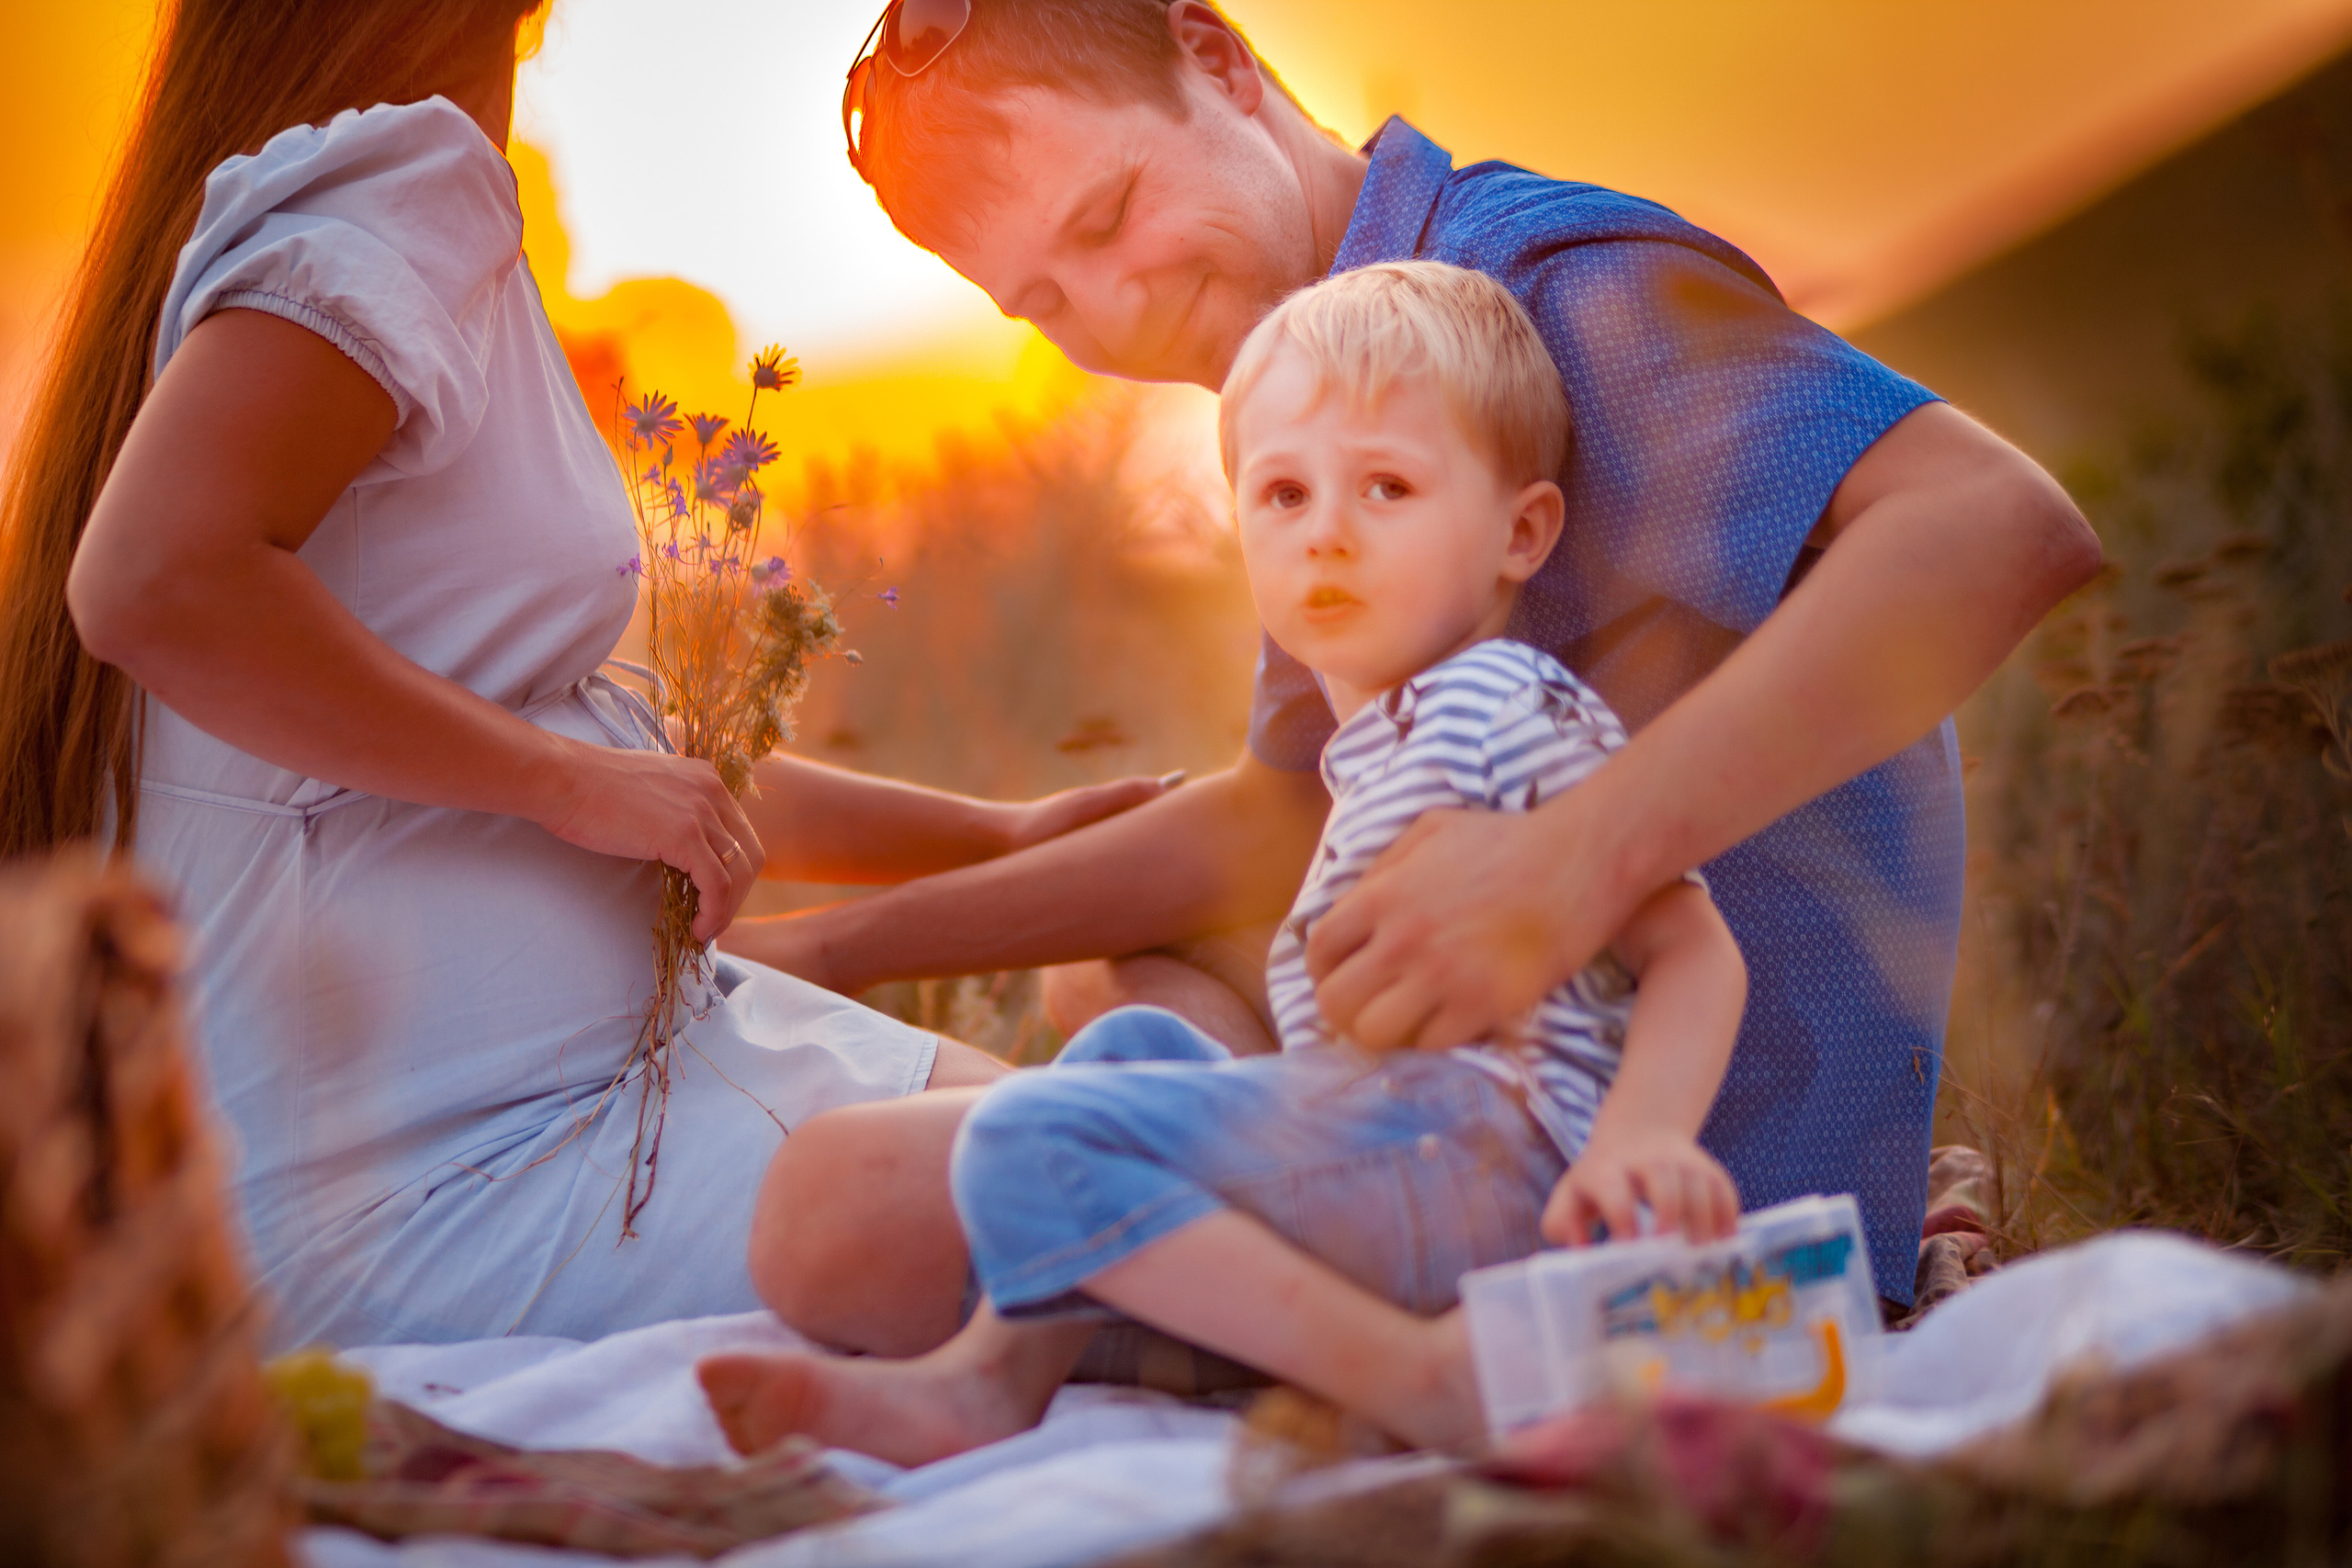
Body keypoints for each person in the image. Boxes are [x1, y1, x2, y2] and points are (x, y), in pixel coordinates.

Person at [721, 0, 2102, 1342]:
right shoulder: (1333, 358)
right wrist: (842, 947)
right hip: (1482, 1077)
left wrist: (1575, 862)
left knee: (855, 1222)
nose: (1114, 308)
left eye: (1107, 214)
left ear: (1219, 58)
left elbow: (1997, 527)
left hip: (1667, 1156)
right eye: (1041, 300)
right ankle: (1234, 1257)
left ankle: (1318, 1324)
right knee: (1112, 977)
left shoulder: (1547, 287)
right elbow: (1287, 813)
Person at [0, 0, 1164, 1350]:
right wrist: (567, 787)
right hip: (437, 1189)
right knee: (1163, 1207)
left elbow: (621, 768)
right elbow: (151, 581)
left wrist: (996, 839)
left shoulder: (400, 218)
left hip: (618, 1080)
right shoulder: (397, 193)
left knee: (1160, 1169)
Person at [699, 262, 1748, 1460]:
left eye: (1387, 488)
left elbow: (1691, 945)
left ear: (1521, 532)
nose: (1328, 535)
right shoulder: (1383, 744)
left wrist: (1642, 1141)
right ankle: (991, 1382)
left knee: (1023, 1136)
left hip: (1491, 1160)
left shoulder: (1501, 701)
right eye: (1284, 494)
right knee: (1123, 1053)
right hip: (1393, 1146)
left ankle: (1417, 1384)